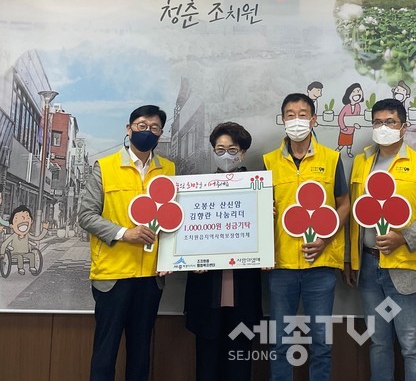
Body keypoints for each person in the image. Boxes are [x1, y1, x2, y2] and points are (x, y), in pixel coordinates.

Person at [346, 98, 416, 381]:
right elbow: (354, 213)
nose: (383, 127)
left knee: (412, 345)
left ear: (403, 127)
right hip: (368, 268)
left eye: (390, 122)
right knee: (378, 343)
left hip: (405, 268)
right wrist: (349, 259)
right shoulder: (361, 162)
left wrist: (403, 237)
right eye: (377, 122)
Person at [78, 105, 175, 381]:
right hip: (113, 275)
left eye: (154, 128)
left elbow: (174, 219)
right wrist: (124, 233)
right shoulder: (105, 167)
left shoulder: (169, 169)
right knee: (105, 351)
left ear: (161, 133)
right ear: (129, 129)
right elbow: (85, 215)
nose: (148, 132)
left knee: (141, 352)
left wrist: (171, 257)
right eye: (142, 125)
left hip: (150, 277)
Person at [263, 93, 350, 381]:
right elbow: (261, 208)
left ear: (313, 120)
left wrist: (326, 237)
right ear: (282, 120)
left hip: (320, 265)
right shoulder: (268, 162)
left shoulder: (331, 158)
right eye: (290, 114)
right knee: (280, 342)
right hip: (281, 265)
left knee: (321, 343)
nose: (296, 120)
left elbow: (344, 203)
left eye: (303, 114)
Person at [184, 122, 262, 381]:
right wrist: (190, 259)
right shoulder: (197, 190)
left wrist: (265, 218)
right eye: (220, 150)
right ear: (212, 152)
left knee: (239, 365)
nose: (226, 155)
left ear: (243, 153)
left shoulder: (258, 189)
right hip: (206, 290)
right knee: (206, 365)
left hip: (244, 291)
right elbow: (186, 237)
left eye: (232, 150)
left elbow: (265, 237)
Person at [336, 83, 364, 158]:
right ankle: (335, 153)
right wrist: (343, 127)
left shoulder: (358, 106)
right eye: (354, 92)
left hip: (351, 130)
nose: (357, 94)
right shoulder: (346, 107)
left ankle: (348, 153)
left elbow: (357, 118)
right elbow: (340, 117)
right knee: (341, 144)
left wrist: (356, 125)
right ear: (348, 95)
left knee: (349, 144)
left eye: (359, 91)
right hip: (344, 131)